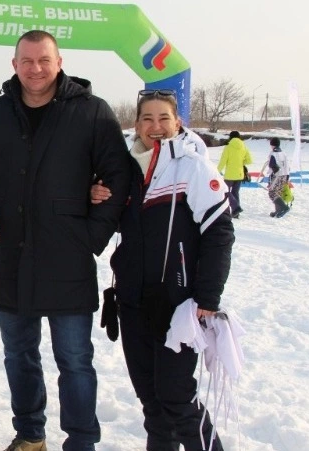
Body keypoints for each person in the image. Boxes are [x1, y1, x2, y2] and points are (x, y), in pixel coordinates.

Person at [0, 30, 131, 451]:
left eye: (44, 60)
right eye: (27, 61)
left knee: (75, 361)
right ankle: (31, 434)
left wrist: (93, 234)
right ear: (14, 65)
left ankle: (81, 441)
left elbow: (117, 176)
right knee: (19, 355)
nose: (35, 69)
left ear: (60, 61)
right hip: (8, 256)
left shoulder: (92, 113)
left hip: (67, 257)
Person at [99, 89, 234, 450]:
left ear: (178, 122)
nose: (155, 126)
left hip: (178, 305)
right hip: (132, 302)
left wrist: (208, 295)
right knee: (152, 404)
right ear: (137, 124)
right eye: (147, 119)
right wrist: (96, 193)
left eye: (163, 119)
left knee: (177, 398)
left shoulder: (193, 167)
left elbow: (220, 233)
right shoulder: (128, 168)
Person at [217, 130, 253, 218]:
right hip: (240, 174)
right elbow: (249, 160)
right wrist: (241, 162)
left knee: (226, 191)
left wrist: (217, 171)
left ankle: (235, 208)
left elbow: (223, 161)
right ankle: (236, 213)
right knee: (235, 192)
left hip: (229, 174)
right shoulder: (244, 146)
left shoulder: (228, 147)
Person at [265, 137, 291, 217]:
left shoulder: (273, 153)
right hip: (284, 175)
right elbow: (287, 165)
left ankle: (284, 207)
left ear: (272, 145)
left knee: (272, 193)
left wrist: (270, 176)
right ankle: (278, 210)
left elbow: (272, 165)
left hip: (276, 176)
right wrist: (287, 176)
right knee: (278, 192)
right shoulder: (283, 153)